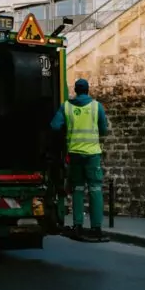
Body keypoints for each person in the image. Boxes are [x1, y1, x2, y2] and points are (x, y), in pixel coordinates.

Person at [50, 78, 109, 241]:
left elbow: (54, 126)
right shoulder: (97, 106)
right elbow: (103, 129)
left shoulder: (66, 107)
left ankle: (78, 225)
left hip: (74, 154)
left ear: (75, 90)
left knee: (77, 189)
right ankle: (96, 228)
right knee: (95, 189)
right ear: (88, 90)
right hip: (92, 155)